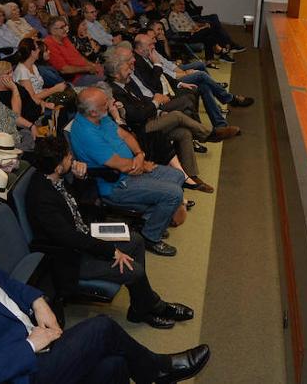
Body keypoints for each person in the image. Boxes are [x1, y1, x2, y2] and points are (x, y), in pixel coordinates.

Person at [0, 209, 210, 384]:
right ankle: (159, 371)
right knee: (102, 328)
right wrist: (29, 344)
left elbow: (9, 287)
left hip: (36, 342)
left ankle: (154, 372)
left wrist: (37, 301)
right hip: (20, 372)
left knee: (115, 365)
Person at [26, 136, 194, 329]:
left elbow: (78, 207)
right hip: (70, 257)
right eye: (67, 156)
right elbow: (69, 238)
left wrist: (81, 179)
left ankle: (141, 307)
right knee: (134, 269)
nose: (71, 157)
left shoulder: (55, 178)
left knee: (137, 240)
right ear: (57, 167)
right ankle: (153, 306)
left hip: (85, 236)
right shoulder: (42, 198)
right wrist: (111, 251)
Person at [69, 86, 185, 256]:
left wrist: (139, 155)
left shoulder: (100, 117)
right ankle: (150, 237)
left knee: (177, 175)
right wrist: (141, 165)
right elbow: (120, 166)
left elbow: (126, 136)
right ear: (92, 112)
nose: (109, 105)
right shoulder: (86, 133)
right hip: (116, 184)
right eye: (104, 104)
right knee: (173, 193)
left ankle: (148, 221)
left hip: (132, 167)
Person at [105, 48, 233, 194]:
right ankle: (209, 134)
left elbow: (142, 104)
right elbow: (136, 116)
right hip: (139, 130)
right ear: (116, 74)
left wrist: (159, 111)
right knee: (177, 115)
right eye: (126, 68)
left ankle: (189, 176)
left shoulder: (126, 83)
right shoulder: (113, 91)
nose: (130, 70)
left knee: (183, 133)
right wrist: (155, 104)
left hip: (150, 118)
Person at [44, 17, 104, 85]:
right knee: (106, 80)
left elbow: (78, 56)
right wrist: (88, 68)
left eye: (65, 26)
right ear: (53, 31)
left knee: (111, 70)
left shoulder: (64, 37)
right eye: (62, 27)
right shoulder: (49, 44)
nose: (66, 29)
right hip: (75, 79)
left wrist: (93, 65)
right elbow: (64, 69)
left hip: (86, 71)